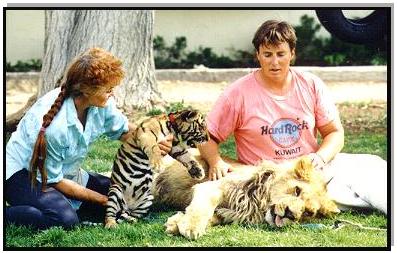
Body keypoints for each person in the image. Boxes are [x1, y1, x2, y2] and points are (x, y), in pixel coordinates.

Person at [198, 20, 387, 215]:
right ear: (258, 56)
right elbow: (204, 136)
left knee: (372, 165)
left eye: (281, 54)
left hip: (310, 170)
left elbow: (334, 133)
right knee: (327, 195)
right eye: (267, 55)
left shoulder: (311, 84)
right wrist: (216, 162)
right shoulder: (237, 93)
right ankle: (326, 201)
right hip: (267, 180)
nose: (275, 62)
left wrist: (319, 157)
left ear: (292, 53)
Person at [5, 47, 173, 230]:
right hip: (24, 174)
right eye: (108, 89)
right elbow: (55, 180)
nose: (113, 93)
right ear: (86, 89)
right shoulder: (55, 128)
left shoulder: (101, 103)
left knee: (124, 196)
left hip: (65, 172)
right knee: (64, 221)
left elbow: (125, 131)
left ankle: (60, 206)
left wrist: (153, 142)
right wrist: (102, 200)